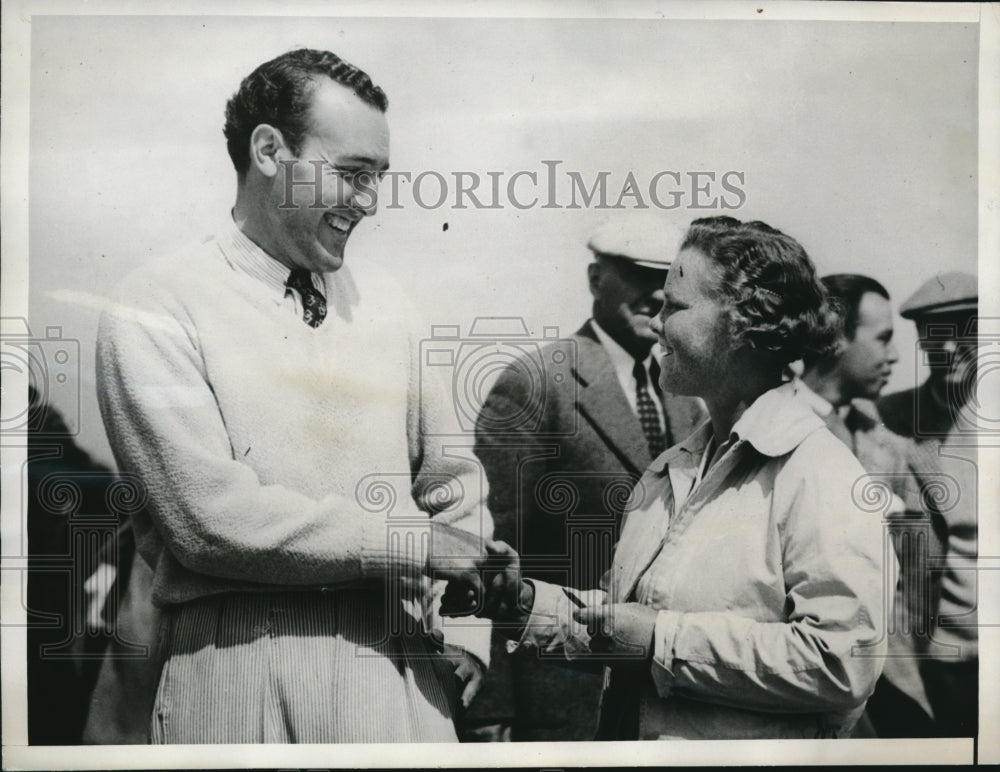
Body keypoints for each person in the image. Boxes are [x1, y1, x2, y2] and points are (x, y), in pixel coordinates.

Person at [95, 48, 491, 744]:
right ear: (270, 149)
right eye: (352, 175)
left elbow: (454, 489)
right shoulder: (155, 304)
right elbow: (211, 521)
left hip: (404, 679)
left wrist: (462, 630)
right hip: (240, 673)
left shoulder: (389, 304)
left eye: (379, 179)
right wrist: (410, 539)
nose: (369, 203)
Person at [450, 216, 890, 740]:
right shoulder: (672, 471)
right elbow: (630, 624)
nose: (657, 321)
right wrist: (527, 603)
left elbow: (844, 661)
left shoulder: (820, 474)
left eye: (675, 306)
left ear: (744, 322)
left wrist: (663, 641)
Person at [463, 215, 704, 741]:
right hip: (560, 693)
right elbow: (486, 547)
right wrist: (490, 704)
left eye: (668, 279)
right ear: (596, 279)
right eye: (638, 275)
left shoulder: (686, 394)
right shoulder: (537, 382)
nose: (655, 294)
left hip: (663, 698)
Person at [799, 274, 935, 736]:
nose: (894, 355)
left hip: (892, 681)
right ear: (836, 338)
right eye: (883, 339)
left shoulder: (884, 444)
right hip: (808, 688)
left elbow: (917, 579)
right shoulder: (771, 428)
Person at [877, 271, 979, 738]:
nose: (953, 350)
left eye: (968, 332)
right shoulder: (888, 420)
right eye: (938, 337)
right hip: (940, 664)